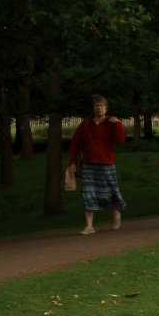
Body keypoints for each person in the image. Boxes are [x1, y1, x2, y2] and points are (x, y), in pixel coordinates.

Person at [67, 94, 126, 234]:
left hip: (106, 163)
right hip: (88, 164)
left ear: (106, 108)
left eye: (101, 106)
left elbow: (121, 140)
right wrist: (72, 162)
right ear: (93, 108)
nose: (99, 108)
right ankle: (89, 226)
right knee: (88, 193)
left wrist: (117, 124)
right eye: (96, 106)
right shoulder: (86, 123)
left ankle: (116, 216)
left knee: (111, 191)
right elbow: (75, 143)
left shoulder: (111, 123)